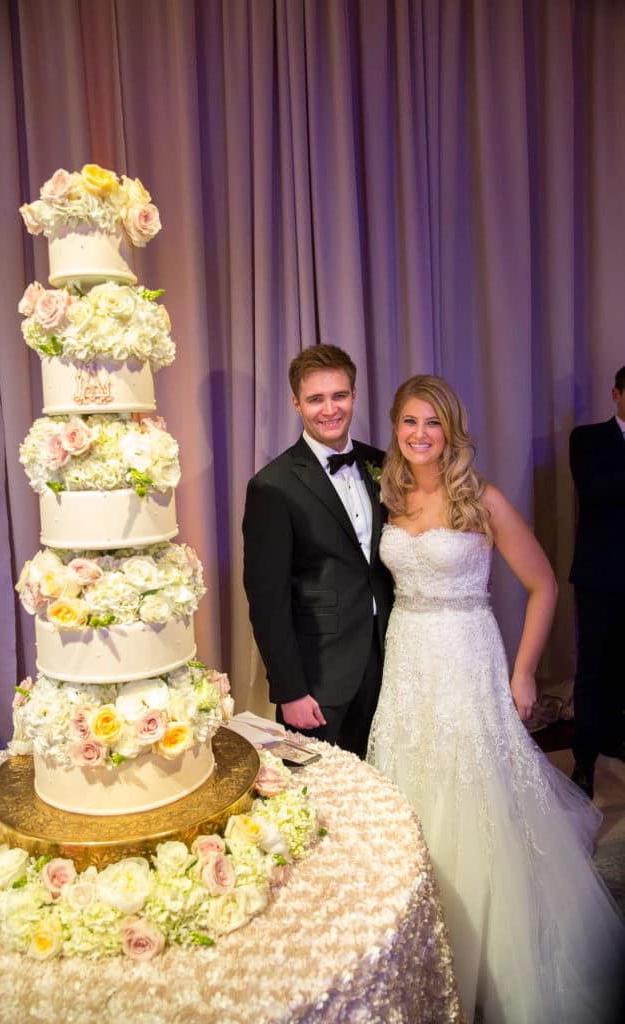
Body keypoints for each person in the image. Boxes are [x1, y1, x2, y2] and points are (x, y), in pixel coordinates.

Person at [367, 375, 624, 1024]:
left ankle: (487, 950)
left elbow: (543, 585)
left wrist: (526, 673)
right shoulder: (390, 496)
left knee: (475, 792)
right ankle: (418, 943)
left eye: (433, 423)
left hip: (465, 653)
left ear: (451, 431)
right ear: (395, 428)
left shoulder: (481, 499)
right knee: (411, 786)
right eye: (409, 423)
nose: (420, 434)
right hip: (408, 658)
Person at [242, 344, 394, 758]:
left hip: (388, 660)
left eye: (339, 395)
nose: (330, 409)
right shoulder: (272, 486)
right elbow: (266, 600)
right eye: (316, 399)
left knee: (377, 782)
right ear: (296, 403)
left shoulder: (381, 464)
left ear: (354, 395)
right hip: (319, 675)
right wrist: (290, 690)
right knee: (317, 794)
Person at [569, 366, 625, 799]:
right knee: (593, 668)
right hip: (602, 575)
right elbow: (594, 489)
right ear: (615, 394)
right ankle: (584, 761)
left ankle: (617, 738)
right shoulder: (586, 438)